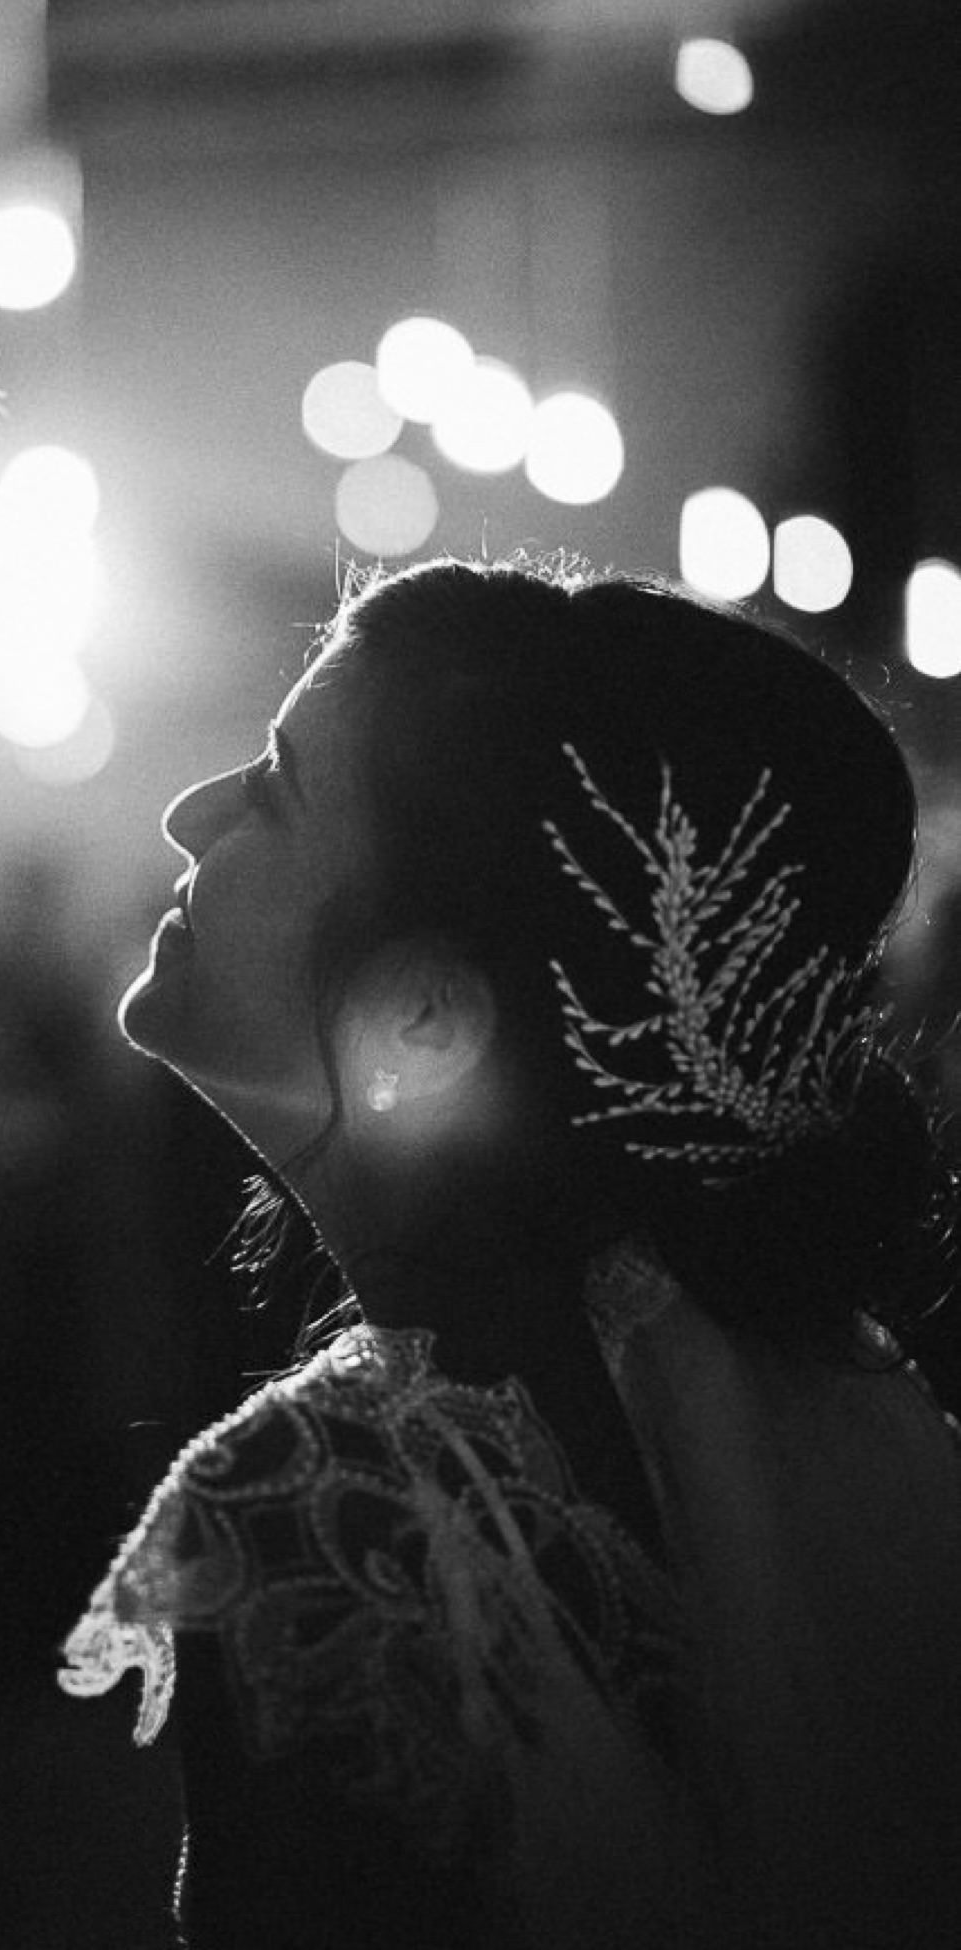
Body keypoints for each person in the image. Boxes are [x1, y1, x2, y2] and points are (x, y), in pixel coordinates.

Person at [63, 552, 961, 1950]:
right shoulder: (816, 1411)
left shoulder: (321, 1512)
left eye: (277, 788)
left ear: (422, 1019)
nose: (190, 813)